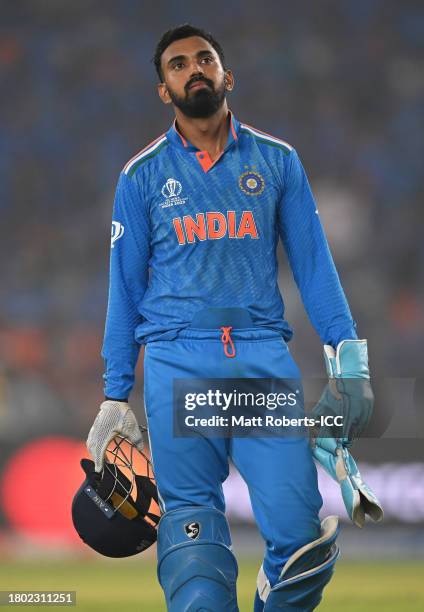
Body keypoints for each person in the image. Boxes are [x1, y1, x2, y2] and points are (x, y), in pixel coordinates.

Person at [87, 24, 372, 611]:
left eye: (204, 59)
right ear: (164, 90)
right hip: (177, 358)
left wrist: (349, 359)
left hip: (259, 357)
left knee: (301, 542)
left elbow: (315, 268)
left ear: (226, 75)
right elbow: (124, 288)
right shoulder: (140, 177)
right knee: (194, 548)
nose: (193, 69)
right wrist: (115, 395)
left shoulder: (277, 162)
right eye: (177, 65)